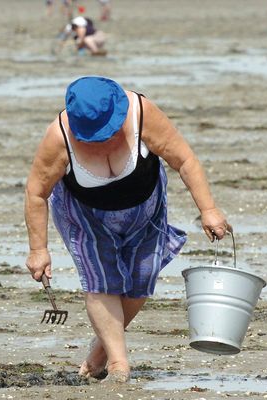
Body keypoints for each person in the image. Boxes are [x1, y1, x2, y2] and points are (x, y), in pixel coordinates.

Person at [24, 76, 231, 383]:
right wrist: (38, 250)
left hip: (143, 209)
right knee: (101, 280)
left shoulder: (142, 113)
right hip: (86, 218)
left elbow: (184, 160)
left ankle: (100, 352)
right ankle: (119, 366)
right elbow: (36, 193)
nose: (103, 139)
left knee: (141, 278)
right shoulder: (59, 137)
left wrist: (208, 209)